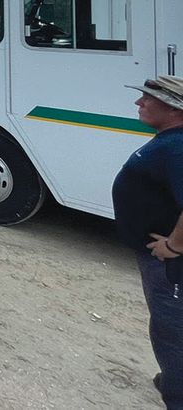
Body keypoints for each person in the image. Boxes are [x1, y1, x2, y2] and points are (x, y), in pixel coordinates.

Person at [112, 75, 183, 408]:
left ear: (174, 109)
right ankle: (171, 378)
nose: (139, 103)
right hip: (161, 259)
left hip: (170, 265)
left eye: (147, 99)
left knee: (171, 333)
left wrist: (174, 246)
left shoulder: (177, 147)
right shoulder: (170, 140)